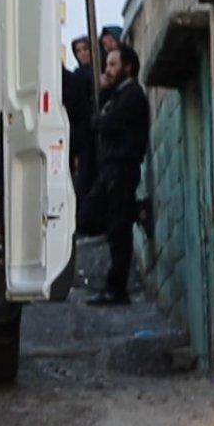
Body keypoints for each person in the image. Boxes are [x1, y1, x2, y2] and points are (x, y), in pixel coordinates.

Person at [79, 44, 149, 306]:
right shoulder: (118, 95)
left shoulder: (132, 95)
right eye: (107, 65)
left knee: (119, 231)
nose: (107, 70)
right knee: (89, 216)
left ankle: (117, 289)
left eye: (112, 65)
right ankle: (136, 211)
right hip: (110, 169)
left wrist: (100, 120)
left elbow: (106, 123)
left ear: (127, 68)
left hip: (122, 167)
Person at [64, 37, 96, 198]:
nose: (82, 53)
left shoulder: (98, 71)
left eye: (86, 49)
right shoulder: (77, 75)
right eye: (78, 51)